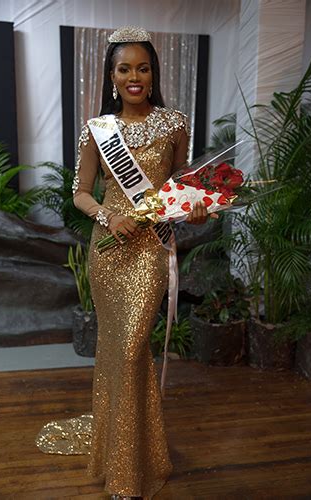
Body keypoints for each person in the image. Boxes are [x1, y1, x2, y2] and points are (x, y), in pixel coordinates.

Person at [37, 26, 215, 500]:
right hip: (109, 249)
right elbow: (80, 193)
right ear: (111, 76)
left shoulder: (175, 124)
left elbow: (182, 185)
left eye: (143, 67)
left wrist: (198, 203)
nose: (134, 76)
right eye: (124, 69)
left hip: (150, 249)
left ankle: (135, 459)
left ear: (153, 74)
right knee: (117, 351)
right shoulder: (98, 130)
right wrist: (106, 214)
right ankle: (124, 459)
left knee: (135, 347)